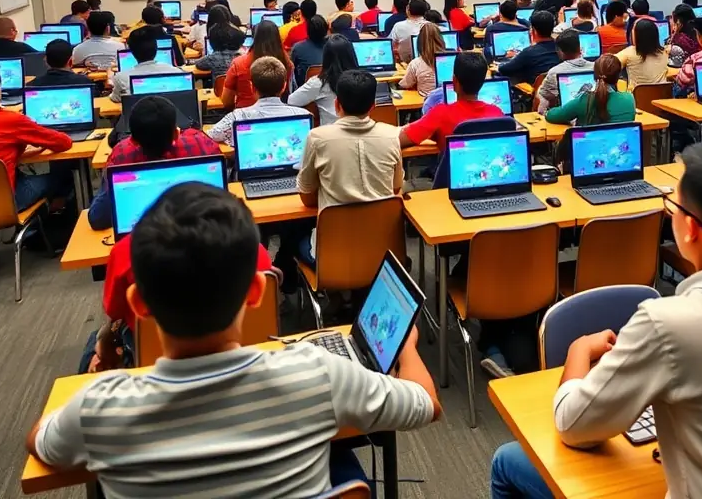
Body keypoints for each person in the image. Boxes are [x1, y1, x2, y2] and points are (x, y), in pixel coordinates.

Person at [28, 183, 440, 496]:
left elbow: (42, 443)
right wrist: (404, 346)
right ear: (257, 292)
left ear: (137, 304)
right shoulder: (318, 374)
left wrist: (104, 371)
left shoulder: (98, 407)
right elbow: (426, 405)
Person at [490, 142, 702, 499]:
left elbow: (574, 424)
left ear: (690, 229)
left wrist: (579, 352)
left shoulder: (668, 325)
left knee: (507, 462)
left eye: (671, 203)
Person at [297, 70, 404, 265]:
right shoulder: (392, 136)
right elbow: (395, 187)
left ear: (337, 104)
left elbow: (306, 197)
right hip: (382, 251)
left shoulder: (317, 138)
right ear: (373, 106)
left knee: (295, 236)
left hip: (332, 256)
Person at [87, 95, 223, 230]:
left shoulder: (122, 154)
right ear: (176, 133)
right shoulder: (201, 143)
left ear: (133, 140)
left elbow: (98, 218)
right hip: (201, 230)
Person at [0, 62, 73, 211]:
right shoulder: (11, 120)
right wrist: (40, 144)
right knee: (59, 177)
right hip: (5, 204)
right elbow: (64, 143)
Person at [400, 52, 503, 152]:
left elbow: (401, 139)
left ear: (454, 81)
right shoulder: (497, 113)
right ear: (483, 82)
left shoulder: (440, 113)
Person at [211, 57, 308, 144]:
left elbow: (212, 135)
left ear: (252, 87)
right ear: (284, 86)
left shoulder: (237, 117)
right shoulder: (304, 116)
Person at [221, 20, 293, 110]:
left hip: (245, 116)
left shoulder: (238, 63)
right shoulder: (287, 63)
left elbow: (226, 101)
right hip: (278, 115)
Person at [545, 54, 634, 126]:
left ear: (594, 75)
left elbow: (552, 116)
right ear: (618, 76)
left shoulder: (584, 100)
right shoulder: (629, 99)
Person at [289, 34, 358, 126]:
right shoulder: (363, 80)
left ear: (325, 56)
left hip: (330, 135)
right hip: (359, 135)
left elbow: (292, 101)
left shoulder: (319, 83)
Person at [109, 28, 181, 102]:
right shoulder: (178, 72)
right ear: (156, 49)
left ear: (131, 51)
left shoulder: (121, 77)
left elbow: (115, 98)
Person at [537, 29, 593, 114]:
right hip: (595, 114)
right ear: (580, 48)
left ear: (560, 52)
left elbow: (545, 97)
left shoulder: (554, 72)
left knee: (540, 92)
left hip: (567, 116)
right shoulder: (597, 67)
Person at [498, 10, 558, 87]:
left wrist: (499, 65)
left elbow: (504, 70)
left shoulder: (529, 52)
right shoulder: (561, 48)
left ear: (534, 31)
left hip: (535, 92)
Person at [617, 18, 668, 90]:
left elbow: (607, 65)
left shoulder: (629, 52)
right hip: (662, 99)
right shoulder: (665, 52)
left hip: (636, 100)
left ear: (636, 35)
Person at [400, 23, 445, 97]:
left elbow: (405, 85)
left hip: (425, 104)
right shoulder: (453, 60)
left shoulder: (416, 63)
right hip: (449, 103)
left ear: (419, 42)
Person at [289, 14, 328, 87]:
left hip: (305, 90)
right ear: (326, 29)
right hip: (330, 90)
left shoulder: (298, 48)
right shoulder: (334, 46)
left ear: (308, 30)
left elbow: (291, 69)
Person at [389, 0, 430, 64]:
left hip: (405, 64)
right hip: (428, 64)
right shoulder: (432, 27)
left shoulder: (398, 26)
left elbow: (389, 45)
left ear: (408, 10)